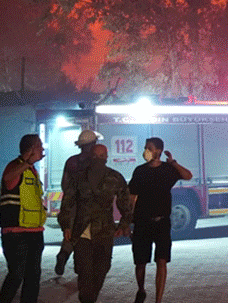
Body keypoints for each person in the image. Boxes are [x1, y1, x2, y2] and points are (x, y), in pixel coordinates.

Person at [58, 142, 132, 303]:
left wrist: (124, 224)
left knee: (102, 269)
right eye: (95, 156)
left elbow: (125, 203)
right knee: (84, 273)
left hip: (104, 232)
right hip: (82, 231)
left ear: (106, 157)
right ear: (90, 157)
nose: (98, 159)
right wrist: (66, 226)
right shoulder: (79, 178)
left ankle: (90, 298)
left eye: (101, 156)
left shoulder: (115, 177)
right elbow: (67, 202)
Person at [130, 137, 193, 303]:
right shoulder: (140, 171)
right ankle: (141, 289)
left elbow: (188, 175)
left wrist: (174, 163)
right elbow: (132, 195)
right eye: (145, 147)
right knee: (140, 263)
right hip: (142, 221)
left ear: (158, 150)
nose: (146, 151)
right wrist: (128, 219)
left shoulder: (168, 169)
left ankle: (158, 299)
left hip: (162, 222)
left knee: (162, 261)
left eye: (149, 147)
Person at [0, 133, 47, 303]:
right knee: (17, 274)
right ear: (31, 149)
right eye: (39, 146)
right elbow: (8, 179)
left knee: (33, 276)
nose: (42, 149)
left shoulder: (32, 171)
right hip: (16, 233)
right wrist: (25, 162)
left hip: (34, 231)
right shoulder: (15, 167)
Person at [55, 129, 103, 276]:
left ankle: (63, 254)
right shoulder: (95, 162)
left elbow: (64, 184)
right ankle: (81, 267)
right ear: (93, 144)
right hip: (88, 206)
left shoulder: (71, 161)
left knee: (71, 233)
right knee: (85, 236)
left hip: (71, 205)